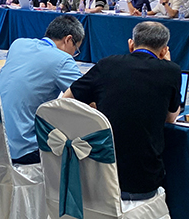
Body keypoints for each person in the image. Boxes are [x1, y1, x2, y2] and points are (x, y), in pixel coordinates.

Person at [64, 21, 182, 198]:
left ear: (131, 44)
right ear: (164, 50)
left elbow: (66, 100)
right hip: (144, 182)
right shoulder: (171, 70)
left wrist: (98, 105)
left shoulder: (106, 64)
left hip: (99, 178)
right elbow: (171, 118)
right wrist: (167, 65)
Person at [0, 16, 84, 164]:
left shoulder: (18, 44)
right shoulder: (63, 60)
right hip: (25, 149)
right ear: (69, 40)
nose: (74, 55)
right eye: (76, 49)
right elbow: (86, 95)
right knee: (79, 146)